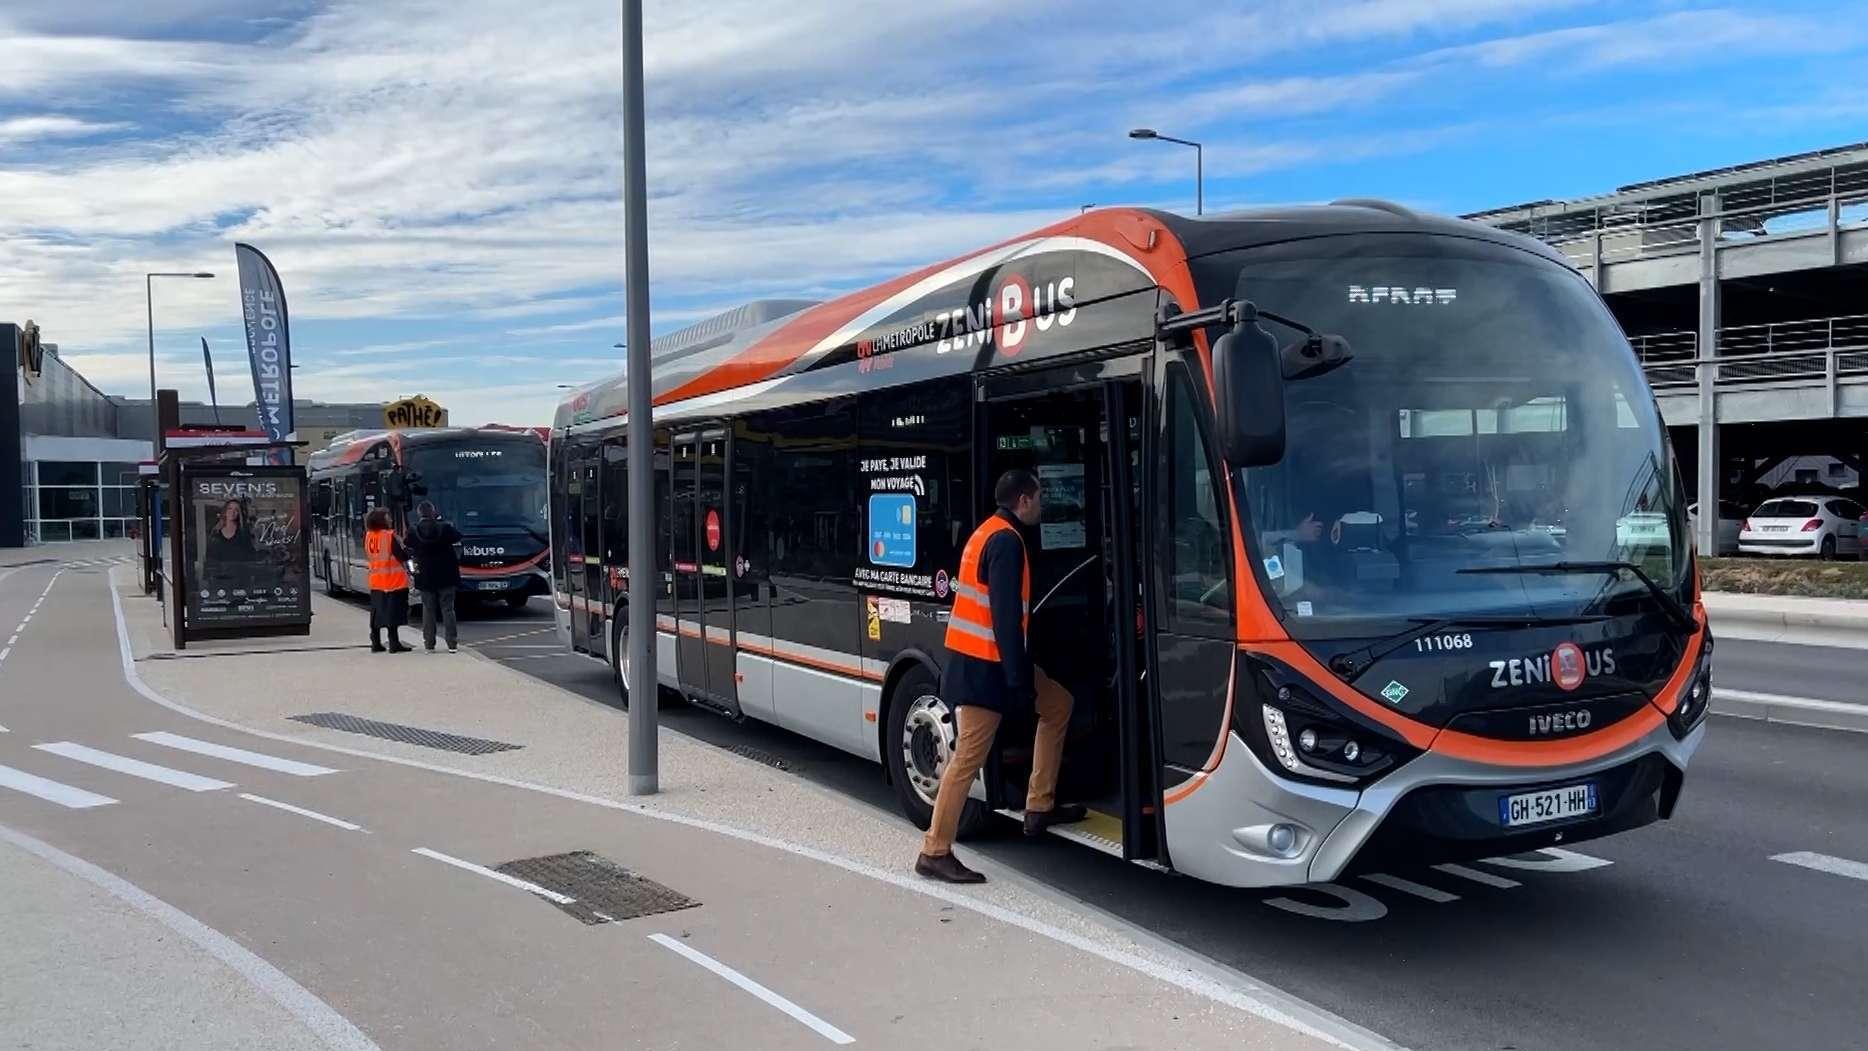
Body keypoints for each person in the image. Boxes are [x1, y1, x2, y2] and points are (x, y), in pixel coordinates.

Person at [915, 468, 1085, 885]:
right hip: (985, 669)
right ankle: (934, 851)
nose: (1042, 506)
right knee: (966, 761)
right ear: (1023, 501)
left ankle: (1039, 804)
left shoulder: (987, 531)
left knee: (1058, 704)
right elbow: (1006, 618)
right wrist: (1017, 680)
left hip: (983, 661)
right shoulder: (1007, 543)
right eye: (1039, 498)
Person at [405, 500, 462, 653]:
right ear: (433, 512)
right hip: (446, 575)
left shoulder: (414, 531)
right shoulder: (444, 528)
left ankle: (429, 644)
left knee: (428, 609)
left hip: (424, 575)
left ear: (419, 513)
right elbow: (458, 537)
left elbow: (407, 544)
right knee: (448, 609)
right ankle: (452, 644)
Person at [364, 508, 412, 653]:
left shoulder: (369, 536)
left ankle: (376, 642)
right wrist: (408, 548)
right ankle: (394, 643)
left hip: (376, 580)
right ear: (381, 521)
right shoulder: (388, 536)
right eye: (387, 517)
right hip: (393, 581)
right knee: (393, 614)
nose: (390, 520)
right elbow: (402, 556)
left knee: (376, 613)